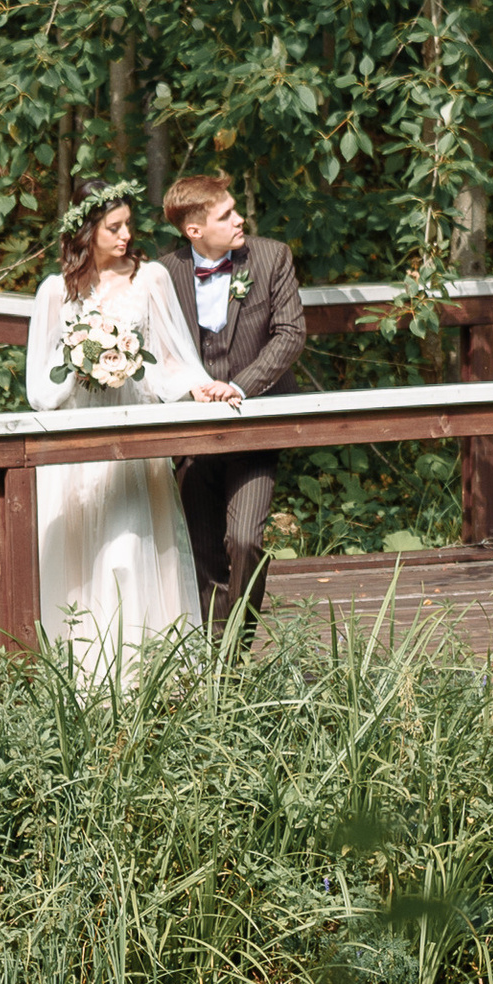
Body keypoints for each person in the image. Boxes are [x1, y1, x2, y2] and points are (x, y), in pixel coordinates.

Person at [26, 179, 242, 679]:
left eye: (128, 225)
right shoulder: (55, 293)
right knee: (82, 555)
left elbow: (172, 358)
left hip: (135, 434)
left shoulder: (150, 279)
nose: (126, 235)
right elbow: (40, 388)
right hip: (79, 439)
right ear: (87, 231)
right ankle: (80, 676)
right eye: (114, 227)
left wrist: (201, 387)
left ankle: (141, 676)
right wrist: (80, 361)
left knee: (127, 547)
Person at [160, 171, 307, 646]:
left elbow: (290, 334)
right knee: (202, 553)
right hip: (191, 433)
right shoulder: (163, 274)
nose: (240, 218)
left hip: (254, 425)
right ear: (194, 230)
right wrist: (189, 392)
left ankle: (234, 652)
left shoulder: (271, 257)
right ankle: (213, 666)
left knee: (244, 540)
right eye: (226, 215)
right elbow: (156, 350)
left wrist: (240, 387)